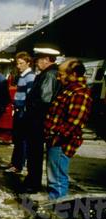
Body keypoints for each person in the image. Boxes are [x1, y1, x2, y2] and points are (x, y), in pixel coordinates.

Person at [43, 59, 93, 200]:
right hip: (57, 140)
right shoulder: (70, 90)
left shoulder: (79, 93)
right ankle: (56, 206)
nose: (58, 77)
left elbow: (75, 122)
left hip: (61, 142)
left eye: (62, 74)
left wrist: (57, 137)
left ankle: (57, 210)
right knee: (55, 176)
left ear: (74, 74)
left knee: (57, 179)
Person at [22, 47, 61, 193]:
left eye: (38, 59)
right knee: (34, 153)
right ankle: (32, 180)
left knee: (35, 153)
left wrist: (31, 112)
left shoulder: (49, 75)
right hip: (38, 120)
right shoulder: (48, 74)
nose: (36, 62)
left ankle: (33, 183)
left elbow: (45, 100)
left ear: (46, 59)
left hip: (37, 121)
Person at [5, 52, 36, 174]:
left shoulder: (29, 77)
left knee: (21, 139)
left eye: (21, 63)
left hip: (23, 111)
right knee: (17, 138)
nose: (18, 66)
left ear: (28, 63)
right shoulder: (23, 76)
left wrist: (24, 111)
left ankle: (17, 165)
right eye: (17, 63)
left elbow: (30, 96)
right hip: (19, 110)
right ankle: (14, 163)